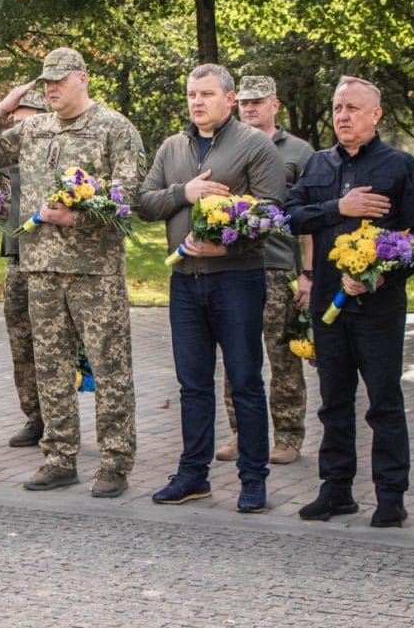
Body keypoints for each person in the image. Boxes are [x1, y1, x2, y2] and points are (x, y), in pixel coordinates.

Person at [0, 48, 143, 498]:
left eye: (59, 81)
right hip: (39, 268)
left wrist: (79, 219)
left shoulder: (114, 128)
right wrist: (1, 111)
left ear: (82, 79)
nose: (50, 89)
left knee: (110, 368)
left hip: (94, 270)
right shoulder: (32, 127)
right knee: (50, 367)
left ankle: (114, 461)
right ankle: (60, 457)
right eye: (45, 82)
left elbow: (129, 195)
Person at [137, 64, 284, 512]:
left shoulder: (256, 146)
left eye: (205, 94)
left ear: (230, 98)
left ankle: (253, 479)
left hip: (236, 281)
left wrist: (226, 250)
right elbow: (145, 202)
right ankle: (193, 474)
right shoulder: (172, 147)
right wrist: (186, 193)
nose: (197, 102)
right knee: (193, 384)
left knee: (244, 381)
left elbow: (272, 214)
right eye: (190, 95)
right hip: (184, 283)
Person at [285, 76, 414, 528]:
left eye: (352, 108)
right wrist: (338, 209)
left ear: (376, 115)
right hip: (329, 302)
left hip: (378, 307)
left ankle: (391, 495)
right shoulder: (318, 165)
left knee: (384, 400)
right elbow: (289, 216)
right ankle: (336, 490)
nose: (342, 116)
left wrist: (378, 277)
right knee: (333, 401)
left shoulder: (399, 166)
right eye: (337, 108)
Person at [216, 76, 314, 466]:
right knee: (236, 355)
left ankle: (288, 436)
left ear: (276, 104)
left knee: (282, 356)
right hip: (232, 266)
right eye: (244, 102)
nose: (250, 108)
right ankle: (242, 433)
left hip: (277, 266)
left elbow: (310, 219)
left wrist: (307, 273)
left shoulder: (300, 152)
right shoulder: (225, 144)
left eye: (258, 102)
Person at [0, 89, 46, 447]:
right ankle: (34, 416)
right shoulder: (6, 159)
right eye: (14, 122)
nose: (20, 128)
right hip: (16, 259)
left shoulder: (55, 156)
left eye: (27, 120)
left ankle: (61, 419)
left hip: (50, 261)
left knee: (54, 347)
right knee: (21, 344)